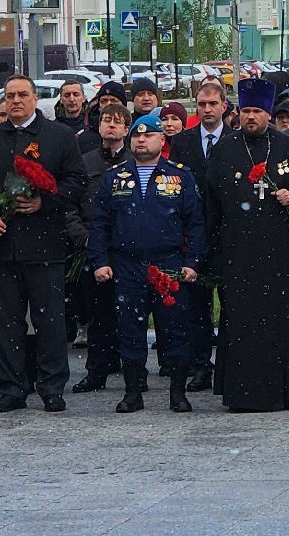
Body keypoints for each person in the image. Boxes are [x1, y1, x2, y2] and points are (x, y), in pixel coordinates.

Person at [198, 78, 289, 411]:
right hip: (239, 253)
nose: (251, 117)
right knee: (244, 324)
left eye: (257, 111)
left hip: (281, 254)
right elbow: (211, 203)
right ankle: (245, 392)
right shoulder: (224, 150)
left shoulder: (287, 147)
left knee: (284, 320)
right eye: (246, 111)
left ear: (268, 113)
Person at [0, 76, 86, 414]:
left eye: (23, 95)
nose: (16, 101)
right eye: (10, 95)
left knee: (49, 320)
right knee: (7, 321)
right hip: (3, 246)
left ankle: (51, 386)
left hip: (45, 244)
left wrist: (44, 203)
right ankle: (12, 386)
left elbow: (76, 180)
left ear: (35, 99)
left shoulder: (58, 136)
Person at [89, 112, 206, 414]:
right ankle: (132, 393)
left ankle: (177, 393)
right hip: (127, 265)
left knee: (175, 330)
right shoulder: (115, 177)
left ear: (162, 139)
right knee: (130, 330)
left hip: (169, 264)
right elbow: (100, 223)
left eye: (149, 134)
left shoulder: (180, 176)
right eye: (137, 136)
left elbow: (194, 223)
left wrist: (192, 262)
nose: (142, 140)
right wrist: (99, 261)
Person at [166, 80, 232, 391]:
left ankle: (232, 364)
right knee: (195, 306)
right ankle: (200, 365)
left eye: (212, 104)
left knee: (232, 303)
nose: (207, 109)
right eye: (202, 104)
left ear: (224, 107)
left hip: (228, 236)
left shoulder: (235, 139)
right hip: (192, 235)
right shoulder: (183, 142)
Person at [70, 100, 131, 395]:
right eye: (107, 120)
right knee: (98, 314)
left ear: (127, 129)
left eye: (118, 121)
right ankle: (97, 371)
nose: (111, 125)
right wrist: (84, 238)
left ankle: (134, 372)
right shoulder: (85, 162)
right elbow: (71, 206)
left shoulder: (136, 161)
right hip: (93, 248)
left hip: (129, 249)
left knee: (131, 313)